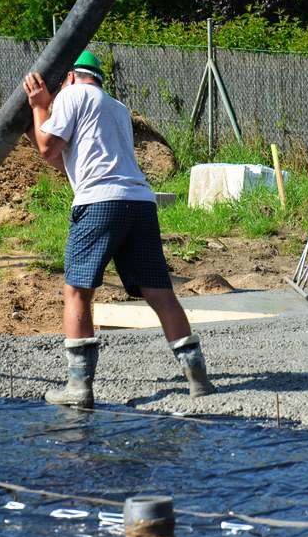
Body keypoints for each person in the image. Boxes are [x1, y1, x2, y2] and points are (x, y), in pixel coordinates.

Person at [23, 51, 216, 406]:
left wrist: (39, 107)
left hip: (100, 203)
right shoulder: (117, 108)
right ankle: (198, 380)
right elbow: (76, 162)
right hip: (140, 202)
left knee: (77, 293)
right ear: (98, 77)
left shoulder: (71, 95)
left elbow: (48, 147)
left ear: (69, 77)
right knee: (161, 294)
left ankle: (79, 388)